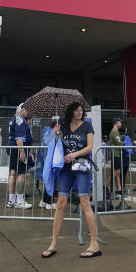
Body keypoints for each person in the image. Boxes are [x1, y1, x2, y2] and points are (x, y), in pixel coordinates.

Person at [42, 102, 100, 258]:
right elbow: (57, 146)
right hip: (66, 168)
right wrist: (55, 134)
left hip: (82, 166)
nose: (80, 112)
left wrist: (75, 154)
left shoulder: (87, 126)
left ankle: (94, 244)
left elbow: (89, 147)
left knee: (84, 202)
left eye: (81, 110)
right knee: (60, 203)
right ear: (71, 112)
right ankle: (53, 243)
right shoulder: (63, 126)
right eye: (77, 110)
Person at [7, 105, 33, 209]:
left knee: (13, 174)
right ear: (22, 110)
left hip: (13, 148)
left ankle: (12, 200)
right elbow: (19, 138)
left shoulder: (13, 119)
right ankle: (20, 201)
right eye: (27, 110)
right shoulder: (20, 120)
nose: (28, 113)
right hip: (18, 149)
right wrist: (22, 152)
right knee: (21, 174)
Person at [38, 117, 58, 209]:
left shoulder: (45, 132)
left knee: (47, 181)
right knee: (51, 181)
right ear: (56, 125)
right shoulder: (54, 134)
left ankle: (44, 201)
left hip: (44, 160)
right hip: (52, 160)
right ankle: (49, 202)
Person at [107, 117, 125, 196]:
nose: (121, 124)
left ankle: (119, 189)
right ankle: (105, 187)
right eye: (120, 122)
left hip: (116, 154)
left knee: (117, 172)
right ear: (116, 123)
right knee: (116, 172)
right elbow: (119, 143)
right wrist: (125, 142)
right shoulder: (114, 131)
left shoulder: (115, 131)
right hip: (116, 154)